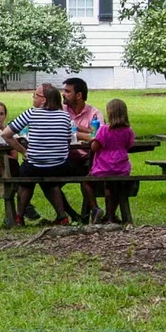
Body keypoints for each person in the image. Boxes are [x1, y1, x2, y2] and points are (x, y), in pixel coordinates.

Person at [9, 83, 75, 226]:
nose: (33, 98)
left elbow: (6, 134)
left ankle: (19, 217)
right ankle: (62, 217)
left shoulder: (31, 113)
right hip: (59, 165)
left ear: (44, 100)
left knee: (26, 181)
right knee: (50, 182)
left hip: (35, 164)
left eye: (36, 95)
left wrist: (23, 151)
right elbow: (68, 140)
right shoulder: (65, 117)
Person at [80, 98, 136, 224]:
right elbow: (129, 145)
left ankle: (95, 209)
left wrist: (93, 142)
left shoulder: (104, 130)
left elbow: (95, 147)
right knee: (113, 187)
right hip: (121, 168)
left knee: (85, 182)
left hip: (104, 167)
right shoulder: (128, 131)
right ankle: (110, 216)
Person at [62, 76, 102, 222]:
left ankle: (90, 213)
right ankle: (74, 215)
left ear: (79, 95)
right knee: (50, 183)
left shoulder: (94, 114)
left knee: (86, 177)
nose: (63, 94)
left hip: (88, 160)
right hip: (65, 159)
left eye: (67, 91)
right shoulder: (61, 110)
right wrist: (85, 134)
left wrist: (76, 130)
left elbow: (98, 137)